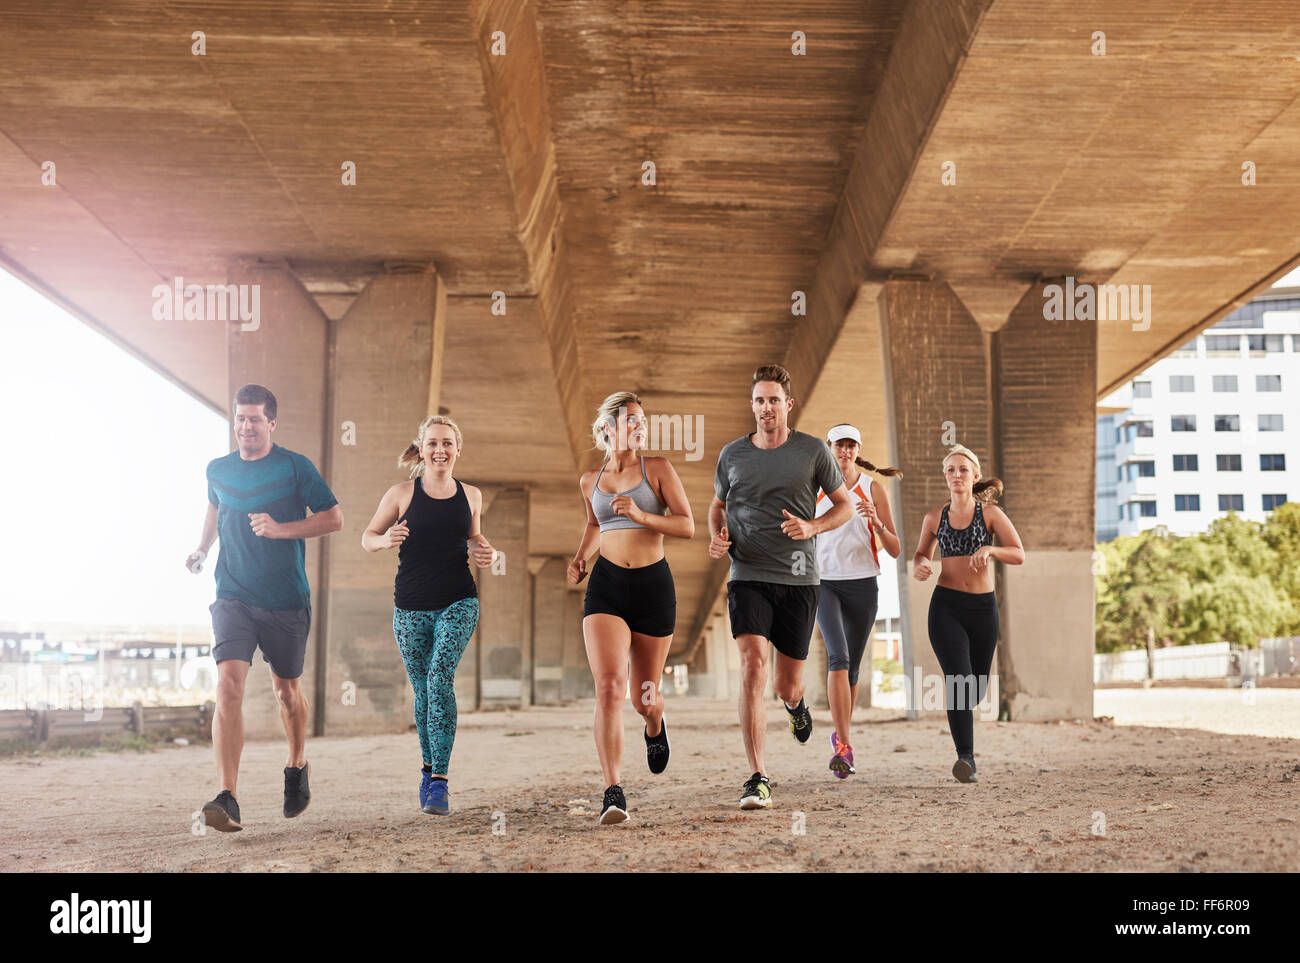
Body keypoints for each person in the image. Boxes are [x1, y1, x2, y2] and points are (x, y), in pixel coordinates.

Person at [187, 384, 343, 832]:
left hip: (285, 600)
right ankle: (228, 796)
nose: (246, 426)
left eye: (255, 419)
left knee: (286, 694)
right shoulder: (217, 469)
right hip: (232, 595)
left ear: (272, 423)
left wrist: (281, 529)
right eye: (240, 418)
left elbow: (334, 518)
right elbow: (216, 509)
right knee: (228, 687)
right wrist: (201, 548)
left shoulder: (296, 467)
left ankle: (296, 764)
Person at [709, 364, 853, 810]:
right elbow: (717, 505)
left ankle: (796, 706)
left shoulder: (812, 451)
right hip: (747, 574)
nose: (766, 407)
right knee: (753, 666)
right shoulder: (732, 454)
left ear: (788, 405)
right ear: (751, 405)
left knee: (785, 684)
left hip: (798, 579)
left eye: (774, 400)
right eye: (759, 400)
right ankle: (758, 776)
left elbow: (845, 505)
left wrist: (812, 527)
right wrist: (716, 535)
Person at [569, 392, 694, 825]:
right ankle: (613, 790)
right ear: (608, 428)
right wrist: (581, 557)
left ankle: (655, 726)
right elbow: (593, 523)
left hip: (652, 587)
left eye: (643, 420)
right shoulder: (591, 479)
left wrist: (642, 516)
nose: (640, 427)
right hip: (606, 588)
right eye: (631, 421)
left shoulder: (656, 469)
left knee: (644, 698)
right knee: (608, 686)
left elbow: (687, 524)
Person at [361, 415, 495, 816]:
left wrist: (489, 552)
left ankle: (439, 781)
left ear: (458, 449)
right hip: (410, 608)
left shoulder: (471, 495)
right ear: (422, 448)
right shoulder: (401, 493)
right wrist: (385, 540)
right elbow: (367, 537)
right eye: (433, 443)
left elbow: (474, 537)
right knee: (423, 692)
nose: (440, 450)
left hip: (459, 600)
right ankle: (427, 768)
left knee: (439, 679)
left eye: (447, 443)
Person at [910, 444, 1024, 783]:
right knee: (957, 680)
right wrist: (920, 565)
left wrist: (990, 548)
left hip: (982, 611)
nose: (956, 475)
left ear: (974, 476)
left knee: (975, 689)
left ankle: (967, 748)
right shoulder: (934, 518)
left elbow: (1019, 554)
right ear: (945, 477)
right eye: (950, 470)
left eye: (963, 469)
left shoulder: (990, 515)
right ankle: (966, 759)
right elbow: (920, 554)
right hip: (945, 608)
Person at [812, 424, 901, 778]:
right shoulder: (815, 488)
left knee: (852, 669)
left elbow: (895, 549)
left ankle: (841, 738)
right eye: (839, 445)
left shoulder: (872, 488)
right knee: (838, 656)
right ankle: (844, 747)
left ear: (857, 449)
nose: (845, 451)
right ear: (829, 449)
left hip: (864, 584)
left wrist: (877, 522)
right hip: (824, 584)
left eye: (851, 445)